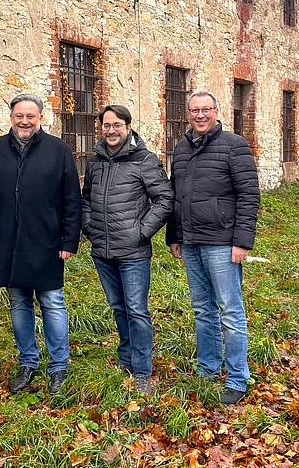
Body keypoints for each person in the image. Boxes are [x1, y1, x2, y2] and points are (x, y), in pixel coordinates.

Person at [0, 93, 81, 394]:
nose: (24, 121)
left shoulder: (58, 150)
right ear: (11, 117)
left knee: (52, 303)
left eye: (30, 116)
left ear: (40, 118)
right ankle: (28, 362)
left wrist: (69, 239)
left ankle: (59, 366)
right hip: (7, 238)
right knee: (19, 303)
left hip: (46, 238)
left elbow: (71, 199)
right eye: (19, 115)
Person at [166, 89, 259, 405]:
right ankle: (207, 368)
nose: (200, 115)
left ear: (217, 112)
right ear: (188, 114)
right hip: (191, 242)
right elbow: (175, 196)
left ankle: (237, 378)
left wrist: (242, 242)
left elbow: (249, 196)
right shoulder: (181, 148)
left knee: (230, 312)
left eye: (206, 109)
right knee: (202, 310)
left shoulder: (234, 146)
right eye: (195, 110)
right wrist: (174, 236)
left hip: (222, 243)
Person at [82, 105, 173, 395]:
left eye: (116, 125)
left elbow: (165, 199)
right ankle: (126, 360)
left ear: (128, 127)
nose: (111, 130)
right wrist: (90, 227)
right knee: (118, 307)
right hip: (103, 251)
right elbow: (85, 200)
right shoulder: (95, 162)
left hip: (133, 253)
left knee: (136, 310)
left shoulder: (144, 160)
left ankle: (143, 371)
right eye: (106, 125)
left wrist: (142, 232)